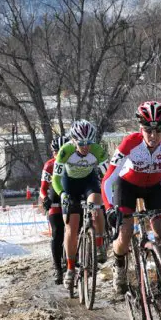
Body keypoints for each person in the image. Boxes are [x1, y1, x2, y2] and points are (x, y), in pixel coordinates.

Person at [102, 101, 161, 296]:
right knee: (125, 232)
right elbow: (108, 180)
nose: (153, 136)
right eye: (148, 130)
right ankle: (119, 266)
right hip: (127, 186)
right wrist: (110, 208)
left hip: (155, 187)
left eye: (158, 130)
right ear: (140, 128)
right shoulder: (129, 144)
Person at [52, 120, 108, 289]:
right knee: (71, 226)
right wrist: (62, 194)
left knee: (96, 209)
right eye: (81, 143)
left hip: (88, 183)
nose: (85, 147)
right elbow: (55, 179)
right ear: (74, 141)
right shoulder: (65, 150)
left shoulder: (98, 151)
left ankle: (99, 246)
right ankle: (70, 268)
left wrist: (109, 196)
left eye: (89, 143)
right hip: (69, 185)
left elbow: (108, 176)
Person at [40, 135, 68, 284]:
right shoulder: (49, 165)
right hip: (55, 200)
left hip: (71, 198)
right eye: (58, 152)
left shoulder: (73, 163)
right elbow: (43, 188)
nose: (60, 155)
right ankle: (58, 268)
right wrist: (45, 199)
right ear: (53, 153)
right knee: (58, 233)